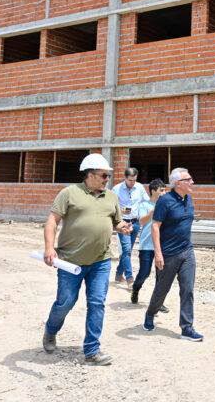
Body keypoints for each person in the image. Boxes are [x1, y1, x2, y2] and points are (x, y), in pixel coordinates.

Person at [41, 153, 133, 366]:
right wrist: (49, 248)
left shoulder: (111, 197)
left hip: (100, 261)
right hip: (70, 261)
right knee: (65, 303)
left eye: (108, 176)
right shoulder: (69, 193)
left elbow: (115, 222)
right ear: (89, 175)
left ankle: (92, 350)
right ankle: (51, 331)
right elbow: (52, 222)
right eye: (103, 175)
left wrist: (123, 228)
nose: (107, 180)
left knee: (97, 303)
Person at [143, 167, 203, 341]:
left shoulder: (188, 199)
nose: (192, 182)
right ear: (178, 183)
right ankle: (150, 313)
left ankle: (187, 328)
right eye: (189, 179)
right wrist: (158, 253)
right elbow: (155, 226)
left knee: (188, 290)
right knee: (162, 289)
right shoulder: (165, 201)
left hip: (187, 252)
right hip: (169, 254)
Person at [130, 178, 169, 314]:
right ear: (153, 191)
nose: (165, 193)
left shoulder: (166, 205)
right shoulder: (144, 205)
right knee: (144, 273)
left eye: (165, 190)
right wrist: (153, 212)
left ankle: (158, 303)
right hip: (147, 246)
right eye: (161, 190)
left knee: (161, 276)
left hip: (162, 246)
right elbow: (141, 221)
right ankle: (135, 288)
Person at [111, 167, 149, 287]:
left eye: (134, 180)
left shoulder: (140, 187)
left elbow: (146, 201)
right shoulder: (116, 189)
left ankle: (118, 274)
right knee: (126, 250)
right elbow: (111, 206)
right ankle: (130, 278)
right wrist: (120, 210)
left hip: (135, 223)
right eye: (130, 180)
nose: (132, 183)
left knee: (128, 250)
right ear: (125, 178)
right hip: (122, 223)